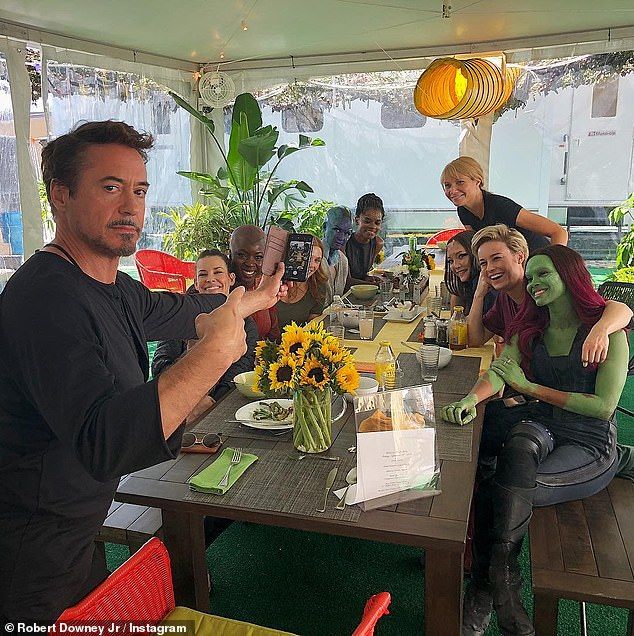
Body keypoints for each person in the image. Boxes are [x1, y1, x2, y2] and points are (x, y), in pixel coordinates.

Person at [0, 121, 286, 622]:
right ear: (60, 196)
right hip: (26, 553)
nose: (130, 206)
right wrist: (212, 356)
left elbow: (185, 310)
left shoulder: (114, 286)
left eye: (139, 190)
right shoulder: (45, 299)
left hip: (77, 535)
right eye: (110, 187)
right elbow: (106, 442)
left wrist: (250, 301)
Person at [442, 244, 629, 636]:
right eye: (531, 278)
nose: (534, 283)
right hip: (542, 427)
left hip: (588, 443)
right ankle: (501, 587)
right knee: (519, 440)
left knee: (503, 488)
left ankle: (489, 586)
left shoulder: (604, 333)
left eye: (544, 274)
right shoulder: (533, 328)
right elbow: (500, 369)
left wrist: (530, 387)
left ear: (570, 276)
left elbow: (602, 407)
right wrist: (470, 399)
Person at [467, 224, 632, 367]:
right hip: (528, 385)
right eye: (483, 263)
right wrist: (478, 295)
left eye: (496, 259)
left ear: (519, 257)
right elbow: (475, 339)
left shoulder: (544, 291)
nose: (489, 268)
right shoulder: (505, 298)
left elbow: (623, 310)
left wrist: (600, 329)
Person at [152, 249, 258, 420]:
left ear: (231, 278)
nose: (210, 279)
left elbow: (237, 377)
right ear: (195, 282)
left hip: (217, 408)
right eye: (203, 275)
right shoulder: (180, 317)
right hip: (172, 404)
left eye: (217, 272)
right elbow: (160, 365)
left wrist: (209, 401)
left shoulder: (247, 325)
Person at [441, 156, 568, 253]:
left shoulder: (500, 205)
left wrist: (554, 265)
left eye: (460, 182)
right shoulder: (463, 211)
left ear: (477, 181)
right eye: (448, 185)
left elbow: (558, 232)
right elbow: (477, 245)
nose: (452, 190)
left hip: (535, 259)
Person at [230, 225, 280, 342]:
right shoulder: (217, 288)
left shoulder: (264, 287)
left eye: (258, 257)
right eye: (242, 255)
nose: (250, 263)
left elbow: (274, 336)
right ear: (230, 254)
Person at [276, 237, 328, 329]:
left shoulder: (318, 285)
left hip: (298, 341)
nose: (312, 265)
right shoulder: (274, 281)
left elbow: (312, 327)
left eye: (317, 260)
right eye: (308, 258)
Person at [444, 229, 496, 315]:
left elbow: (475, 327)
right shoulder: (469, 285)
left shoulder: (488, 289)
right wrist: (457, 290)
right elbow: (456, 320)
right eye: (451, 261)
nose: (456, 265)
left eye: (461, 256)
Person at [345, 193, 385, 283]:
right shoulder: (344, 242)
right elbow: (345, 280)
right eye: (367, 221)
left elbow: (363, 275)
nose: (372, 226)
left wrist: (369, 279)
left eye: (377, 223)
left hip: (363, 293)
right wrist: (376, 286)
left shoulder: (378, 243)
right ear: (357, 220)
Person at [321, 206, 353, 306]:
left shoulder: (343, 260)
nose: (342, 237)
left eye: (347, 233)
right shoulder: (313, 259)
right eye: (337, 230)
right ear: (325, 227)